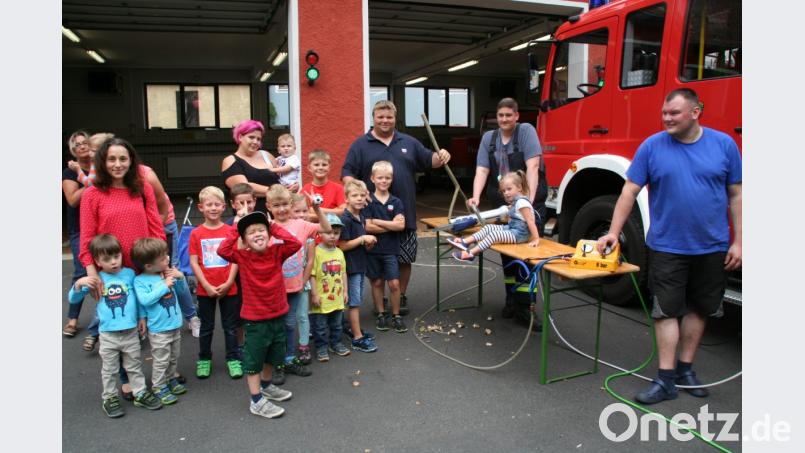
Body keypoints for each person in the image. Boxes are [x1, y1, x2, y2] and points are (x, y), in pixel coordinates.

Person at [597, 88, 742, 405]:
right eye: (664, 113)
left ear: (695, 112)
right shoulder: (652, 147)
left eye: (674, 113)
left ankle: (685, 370)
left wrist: (740, 241)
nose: (666, 118)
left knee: (700, 308)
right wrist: (613, 232)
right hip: (667, 246)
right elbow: (628, 191)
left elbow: (736, 195)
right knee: (665, 312)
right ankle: (665, 379)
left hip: (711, 246)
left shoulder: (724, 146)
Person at [342, 100, 451, 316]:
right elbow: (347, 173)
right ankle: (380, 300)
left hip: (404, 215)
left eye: (389, 117)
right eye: (380, 116)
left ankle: (399, 295)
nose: (385, 120)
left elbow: (431, 160)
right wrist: (357, 192)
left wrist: (442, 156)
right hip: (373, 216)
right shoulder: (360, 145)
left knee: (403, 259)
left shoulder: (408, 142)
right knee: (377, 261)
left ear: (395, 118)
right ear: (373, 118)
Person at [468, 98, 547, 323]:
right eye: (500, 115)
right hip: (502, 205)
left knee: (528, 257)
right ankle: (511, 300)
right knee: (507, 254)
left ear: (516, 116)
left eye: (508, 115)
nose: (504, 119)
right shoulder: (489, 139)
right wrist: (475, 196)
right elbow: (482, 169)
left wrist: (527, 202)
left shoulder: (526, 132)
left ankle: (526, 309)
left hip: (526, 205)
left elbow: (533, 166)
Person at [217, 211, 302, 419]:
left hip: (278, 314)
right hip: (255, 319)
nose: (257, 234)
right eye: (251, 232)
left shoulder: (277, 252)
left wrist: (272, 225)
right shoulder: (242, 256)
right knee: (254, 359)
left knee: (272, 355)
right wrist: (235, 229)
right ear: (244, 239)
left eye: (261, 230)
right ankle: (256, 400)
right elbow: (223, 250)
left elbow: (295, 243)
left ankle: (266, 386)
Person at [68, 234, 163, 418]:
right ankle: (109, 397)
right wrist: (79, 284)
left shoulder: (129, 274)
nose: (113, 262)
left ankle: (140, 392)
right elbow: (73, 299)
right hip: (108, 335)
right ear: (97, 261)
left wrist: (142, 317)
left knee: (134, 365)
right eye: (106, 259)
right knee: (109, 369)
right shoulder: (96, 279)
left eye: (116, 256)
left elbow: (137, 299)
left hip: (130, 332)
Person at [264, 184, 331, 384]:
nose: (282, 209)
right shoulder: (266, 226)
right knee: (275, 327)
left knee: (290, 324)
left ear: (291, 204)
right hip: (272, 288)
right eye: (276, 205)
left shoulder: (301, 225)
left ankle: (289, 359)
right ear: (268, 206)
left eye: (285, 204)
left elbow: (327, 228)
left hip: (294, 286)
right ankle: (276, 364)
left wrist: (316, 209)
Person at [189, 186, 242, 380]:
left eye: (217, 204)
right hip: (206, 289)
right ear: (201, 207)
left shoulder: (231, 231)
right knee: (206, 327)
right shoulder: (196, 233)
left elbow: (235, 258)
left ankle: (233, 358)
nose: (213, 208)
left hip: (229, 287)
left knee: (230, 326)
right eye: (209, 204)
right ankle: (204, 359)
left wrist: (229, 282)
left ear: (224, 206)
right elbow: (194, 262)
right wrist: (206, 285)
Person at [132, 238, 189, 405]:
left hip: (174, 325)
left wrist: (180, 278)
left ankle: (170, 378)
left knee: (173, 357)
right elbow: (145, 300)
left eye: (166, 255)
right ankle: (158, 386)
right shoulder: (140, 281)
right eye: (163, 258)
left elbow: (181, 291)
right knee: (161, 359)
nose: (168, 259)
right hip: (159, 329)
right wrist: (164, 285)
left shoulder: (167, 272)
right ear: (149, 266)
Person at [448, 170, 540, 261]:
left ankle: (470, 253)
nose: (506, 193)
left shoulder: (522, 203)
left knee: (494, 235)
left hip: (520, 235)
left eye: (509, 189)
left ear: (519, 187)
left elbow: (530, 221)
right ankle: (465, 242)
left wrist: (536, 238)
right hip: (513, 229)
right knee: (488, 228)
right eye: (503, 191)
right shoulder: (516, 202)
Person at [363, 161, 406, 333]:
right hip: (373, 250)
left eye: (387, 178)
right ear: (372, 178)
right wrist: (390, 224)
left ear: (392, 179)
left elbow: (401, 226)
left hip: (391, 249)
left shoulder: (396, 202)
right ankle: (381, 314)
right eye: (380, 177)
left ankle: (396, 315)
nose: (383, 181)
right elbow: (367, 227)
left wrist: (377, 222)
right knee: (377, 282)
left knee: (394, 283)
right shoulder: (367, 201)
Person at [338, 179, 378, 352]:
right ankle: (357, 337)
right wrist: (362, 239)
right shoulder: (345, 219)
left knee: (356, 299)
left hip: (360, 264)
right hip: (350, 268)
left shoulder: (360, 216)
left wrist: (366, 243)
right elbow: (342, 245)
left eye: (362, 195)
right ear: (346, 198)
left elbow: (356, 242)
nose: (360, 199)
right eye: (355, 195)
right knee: (354, 302)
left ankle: (351, 328)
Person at [221, 120, 287, 214]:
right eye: (251, 137)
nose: (255, 142)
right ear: (240, 137)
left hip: (279, 214)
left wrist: (291, 185)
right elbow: (245, 189)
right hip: (250, 217)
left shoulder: (266, 155)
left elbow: (283, 178)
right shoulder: (230, 160)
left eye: (258, 139)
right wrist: (280, 191)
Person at [309, 214, 350, 362]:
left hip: (337, 297)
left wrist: (345, 291)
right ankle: (321, 347)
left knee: (337, 324)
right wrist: (314, 294)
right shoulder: (315, 251)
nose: (332, 236)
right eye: (328, 232)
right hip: (321, 297)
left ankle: (336, 343)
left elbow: (343, 273)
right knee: (320, 326)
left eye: (336, 233)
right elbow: (312, 275)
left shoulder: (339, 252)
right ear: (320, 232)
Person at [63, 130, 92, 337]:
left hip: (100, 225)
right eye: (78, 144)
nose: (82, 146)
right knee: (81, 272)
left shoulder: (101, 167)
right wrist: (90, 180)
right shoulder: (69, 173)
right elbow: (73, 200)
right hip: (80, 228)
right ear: (73, 150)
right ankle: (72, 318)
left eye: (85, 143)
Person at [290, 193, 315, 364]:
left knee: (302, 315)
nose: (301, 215)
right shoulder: (284, 231)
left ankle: (304, 346)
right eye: (296, 211)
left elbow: (311, 259)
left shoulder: (308, 231)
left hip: (302, 282)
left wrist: (304, 281)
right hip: (285, 283)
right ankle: (286, 349)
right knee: (287, 319)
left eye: (304, 211)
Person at [301, 149, 346, 222]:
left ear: (329, 167)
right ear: (309, 168)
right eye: (316, 165)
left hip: (333, 230)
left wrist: (316, 210)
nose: (320, 168)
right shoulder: (305, 190)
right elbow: (304, 216)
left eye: (324, 165)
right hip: (313, 230)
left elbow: (344, 212)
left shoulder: (338, 188)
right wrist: (334, 212)